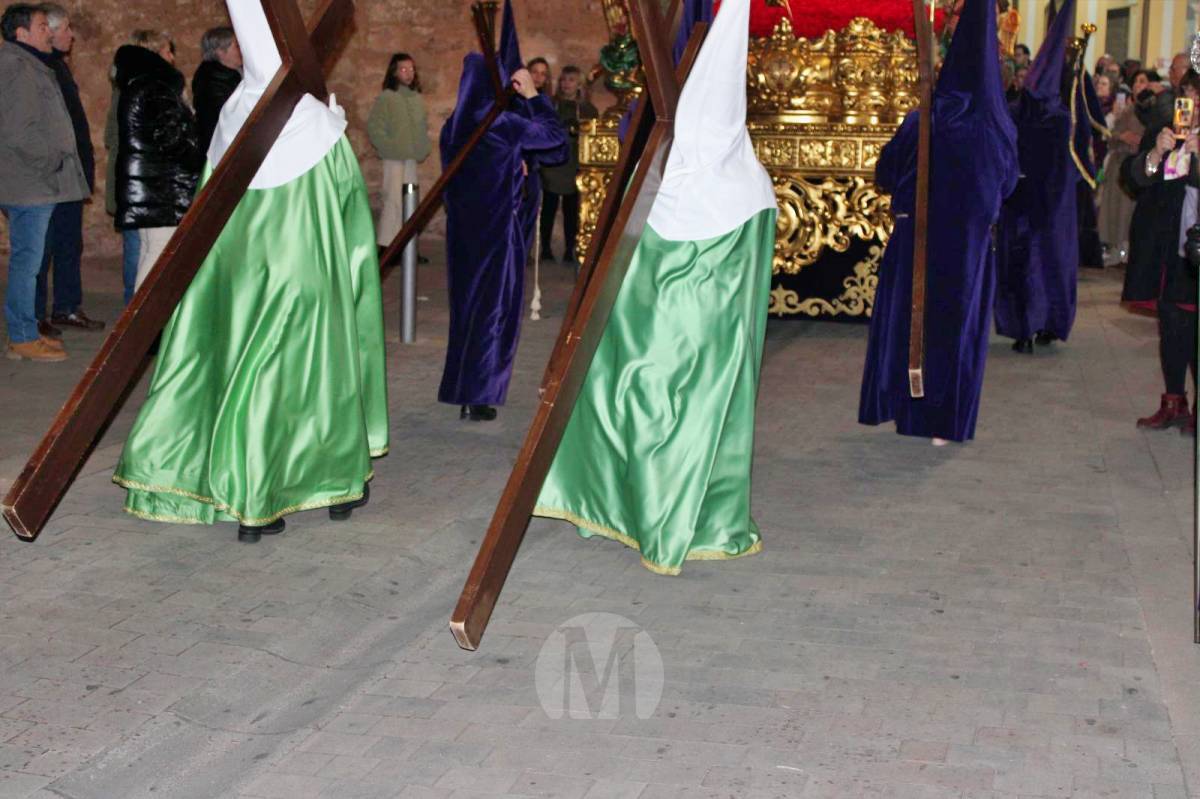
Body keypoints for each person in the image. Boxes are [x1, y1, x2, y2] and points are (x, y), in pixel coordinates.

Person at [113, 0, 388, 542]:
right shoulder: (313, 120)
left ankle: (252, 495)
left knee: (246, 368)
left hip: (241, 283)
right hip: (308, 281)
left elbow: (207, 206)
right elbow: (351, 210)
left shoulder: (232, 117)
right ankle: (323, 484)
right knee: (314, 376)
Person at [534, 0, 777, 574]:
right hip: (707, 335)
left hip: (676, 326)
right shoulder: (747, 178)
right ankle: (645, 511)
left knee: (640, 399)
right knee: (673, 409)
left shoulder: (688, 174)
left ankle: (646, 515)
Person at [860, 0, 1018, 445]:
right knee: (954, 331)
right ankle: (942, 424)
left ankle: (902, 409)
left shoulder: (921, 119)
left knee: (908, 323)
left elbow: (885, 173)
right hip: (966, 249)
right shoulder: (997, 127)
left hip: (916, 239)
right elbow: (1006, 187)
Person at [438, 54, 566, 422]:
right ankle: (477, 394)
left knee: (467, 310)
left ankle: (462, 389)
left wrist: (513, 163)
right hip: (496, 232)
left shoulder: (453, 126)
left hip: (463, 232)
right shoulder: (500, 122)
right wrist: (532, 96)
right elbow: (554, 137)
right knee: (493, 311)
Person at [0, 3, 88, 362]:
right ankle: (22, 336)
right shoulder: (16, 67)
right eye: (41, 26)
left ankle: (25, 331)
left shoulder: (28, 64)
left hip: (35, 182)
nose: (48, 32)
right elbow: (18, 132)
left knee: (30, 261)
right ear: (21, 33)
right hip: (31, 183)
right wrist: (51, 161)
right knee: (27, 263)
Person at [994, 0, 1078, 354]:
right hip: (1052, 206)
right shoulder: (1060, 116)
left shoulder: (1017, 111)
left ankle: (1024, 329)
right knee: (1049, 264)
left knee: (1022, 265)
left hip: (1022, 200)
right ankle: (1045, 326)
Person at [1121, 69, 1200, 436]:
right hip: (1171, 246)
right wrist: (1156, 153)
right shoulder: (1165, 130)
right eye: (1189, 92)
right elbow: (1134, 179)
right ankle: (1173, 401)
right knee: (1172, 324)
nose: (1194, 102)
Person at [32, 3, 104, 339]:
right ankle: (34, 316)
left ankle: (66, 307)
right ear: (48, 30)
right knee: (39, 250)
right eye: (67, 29)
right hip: (51, 177)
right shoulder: (36, 69)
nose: (72, 35)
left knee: (67, 244)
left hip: (69, 176)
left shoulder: (56, 66)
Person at [114, 30, 202, 293]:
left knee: (151, 253)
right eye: (166, 50)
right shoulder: (155, 87)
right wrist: (196, 156)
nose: (171, 57)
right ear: (153, 52)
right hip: (161, 189)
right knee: (159, 259)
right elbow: (170, 138)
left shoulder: (138, 84)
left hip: (150, 186)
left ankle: (142, 326)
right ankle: (145, 329)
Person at [366, 52, 431, 253]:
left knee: (409, 201)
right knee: (393, 199)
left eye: (411, 69)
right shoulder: (387, 98)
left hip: (411, 158)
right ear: (394, 72)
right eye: (404, 69)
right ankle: (387, 246)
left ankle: (408, 247)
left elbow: (421, 126)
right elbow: (375, 128)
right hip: (394, 158)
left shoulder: (416, 99)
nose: (408, 73)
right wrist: (389, 147)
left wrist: (422, 147)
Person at [539, 65, 597, 267]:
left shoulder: (588, 109)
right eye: (563, 80)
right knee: (549, 207)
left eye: (571, 80)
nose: (566, 84)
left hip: (574, 163)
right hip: (554, 163)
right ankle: (545, 248)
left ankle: (569, 250)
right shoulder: (551, 105)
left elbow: (593, 136)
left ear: (579, 84)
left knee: (572, 210)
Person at [1098, 69, 1149, 265]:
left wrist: (1139, 140)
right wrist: (1120, 136)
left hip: (1135, 165)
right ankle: (1114, 247)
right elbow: (1110, 135)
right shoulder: (1125, 109)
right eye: (1136, 81)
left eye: (1142, 81)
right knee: (1113, 210)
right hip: (1119, 164)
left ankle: (1125, 249)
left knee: (1127, 212)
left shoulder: (1150, 112)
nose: (1138, 85)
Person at [104, 38, 139, 304]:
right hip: (135, 179)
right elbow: (113, 137)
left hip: (130, 177)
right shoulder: (133, 91)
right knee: (138, 248)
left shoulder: (124, 89)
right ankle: (134, 308)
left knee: (136, 246)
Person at [192, 26, 242, 154]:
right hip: (224, 149)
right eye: (236, 46)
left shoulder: (234, 73)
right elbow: (230, 118)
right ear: (220, 51)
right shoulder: (210, 81)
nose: (241, 50)